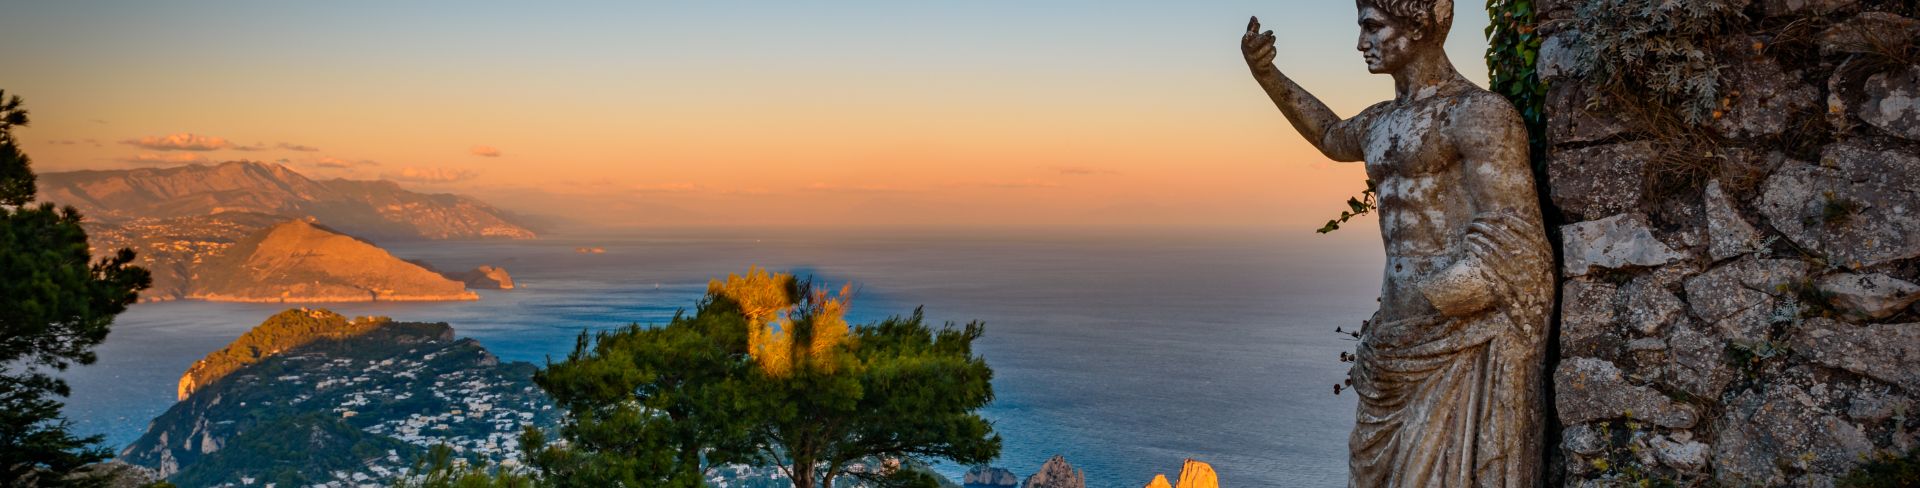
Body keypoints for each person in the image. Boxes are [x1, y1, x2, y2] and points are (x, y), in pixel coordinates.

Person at [1241, 2, 1554, 485]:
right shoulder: (1379, 122)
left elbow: (1513, 235)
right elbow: (1328, 134)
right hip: (1393, 335)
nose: (1361, 43)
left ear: (1419, 25)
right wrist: (1266, 74)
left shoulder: (1476, 114)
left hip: (1452, 335)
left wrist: (1437, 300)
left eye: (1372, 27)